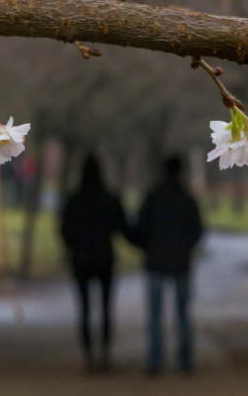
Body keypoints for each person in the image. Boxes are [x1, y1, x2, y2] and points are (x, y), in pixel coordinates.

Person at [131, 156, 203, 375]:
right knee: (182, 314)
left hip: (155, 263)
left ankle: (155, 360)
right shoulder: (187, 198)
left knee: (155, 315)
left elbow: (140, 227)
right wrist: (185, 248)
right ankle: (185, 361)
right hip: (181, 263)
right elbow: (197, 229)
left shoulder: (153, 197)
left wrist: (148, 248)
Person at [60, 154, 126, 372]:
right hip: (104, 258)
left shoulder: (74, 200)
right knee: (106, 309)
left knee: (85, 309)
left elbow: (64, 230)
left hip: (81, 260)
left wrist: (73, 246)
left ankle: (89, 356)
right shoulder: (108, 198)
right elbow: (120, 225)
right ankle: (105, 355)